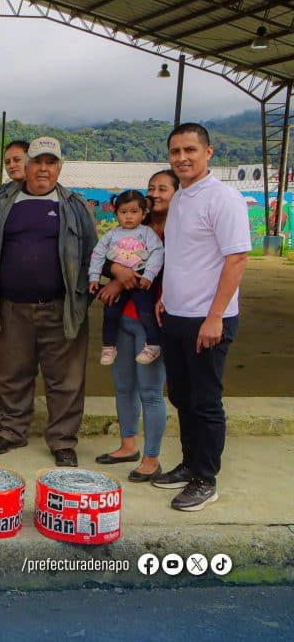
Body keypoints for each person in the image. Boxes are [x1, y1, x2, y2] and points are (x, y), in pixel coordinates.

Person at [0, 136, 98, 467]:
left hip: (61, 307)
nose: (43, 169)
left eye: (51, 163)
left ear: (59, 168)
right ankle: (12, 431)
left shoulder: (74, 205)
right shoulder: (4, 202)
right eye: (37, 162)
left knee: (66, 378)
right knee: (11, 373)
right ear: (26, 165)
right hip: (11, 307)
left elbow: (92, 253)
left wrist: (81, 298)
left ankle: (62, 440)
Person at [152, 123, 250, 511]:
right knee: (181, 396)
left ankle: (206, 478)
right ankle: (189, 464)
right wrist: (165, 297)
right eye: (175, 151)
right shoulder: (181, 198)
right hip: (176, 314)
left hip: (208, 319)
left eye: (190, 150)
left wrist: (215, 317)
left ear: (208, 152)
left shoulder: (224, 199)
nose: (182, 158)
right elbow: (181, 257)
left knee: (206, 400)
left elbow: (237, 259)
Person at [95, 170, 178, 482]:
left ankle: (151, 457)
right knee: (123, 386)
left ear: (177, 193)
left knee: (150, 391)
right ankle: (127, 444)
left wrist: (123, 279)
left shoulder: (181, 231)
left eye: (163, 188)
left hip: (152, 322)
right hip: (123, 317)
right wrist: (116, 272)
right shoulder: (130, 228)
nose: (155, 193)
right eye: (152, 188)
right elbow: (104, 257)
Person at [88, 190, 165, 366]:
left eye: (134, 212)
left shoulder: (146, 233)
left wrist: (149, 275)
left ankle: (153, 344)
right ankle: (109, 346)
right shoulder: (111, 235)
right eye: (123, 212)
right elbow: (98, 254)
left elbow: (157, 252)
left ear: (144, 213)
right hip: (118, 281)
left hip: (141, 281)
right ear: (116, 214)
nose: (128, 217)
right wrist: (94, 277)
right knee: (110, 313)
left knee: (146, 312)